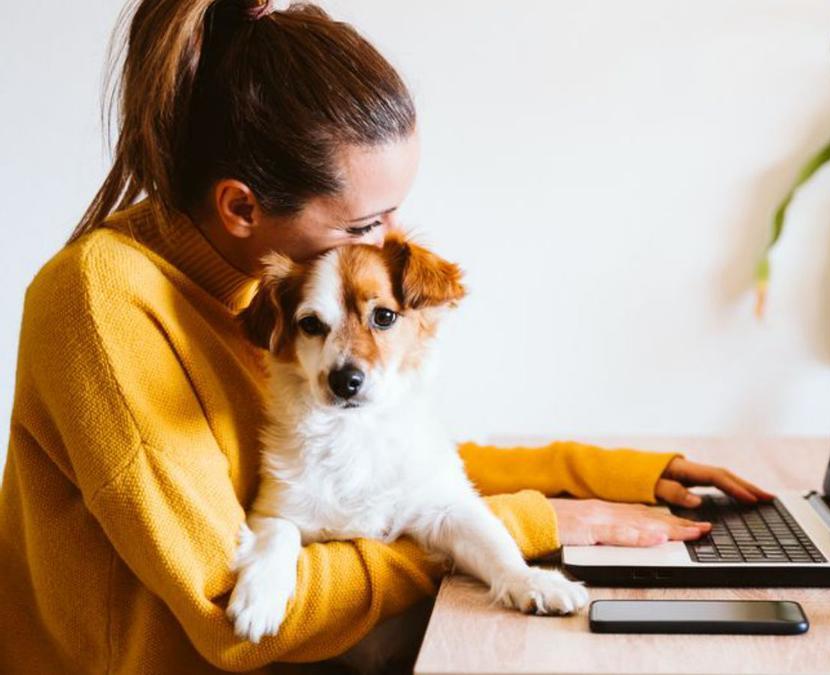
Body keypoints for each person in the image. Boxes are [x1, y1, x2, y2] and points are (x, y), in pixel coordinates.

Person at [0, 0, 774, 672]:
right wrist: (524, 524)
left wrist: (604, 473)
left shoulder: (259, 292)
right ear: (240, 208)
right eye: (366, 222)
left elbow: (379, 467)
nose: (389, 245)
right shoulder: (104, 304)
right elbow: (227, 620)